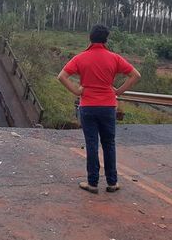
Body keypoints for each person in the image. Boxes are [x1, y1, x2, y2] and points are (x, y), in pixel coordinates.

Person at [57, 24, 141, 194]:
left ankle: (93, 183)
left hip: (88, 106)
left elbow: (62, 76)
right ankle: (112, 182)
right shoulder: (114, 58)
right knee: (109, 143)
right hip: (108, 106)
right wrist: (118, 91)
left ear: (90, 38)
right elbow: (135, 75)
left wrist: (77, 90)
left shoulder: (81, 58)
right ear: (106, 39)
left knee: (92, 144)